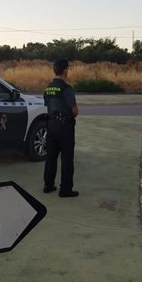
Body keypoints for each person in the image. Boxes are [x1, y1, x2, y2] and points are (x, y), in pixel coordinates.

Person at [43, 59, 79, 197]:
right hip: (65, 127)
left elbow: (47, 105)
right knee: (67, 159)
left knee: (51, 157)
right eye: (68, 69)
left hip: (51, 126)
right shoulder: (67, 88)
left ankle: (48, 185)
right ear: (65, 71)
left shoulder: (48, 87)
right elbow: (75, 111)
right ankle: (65, 189)